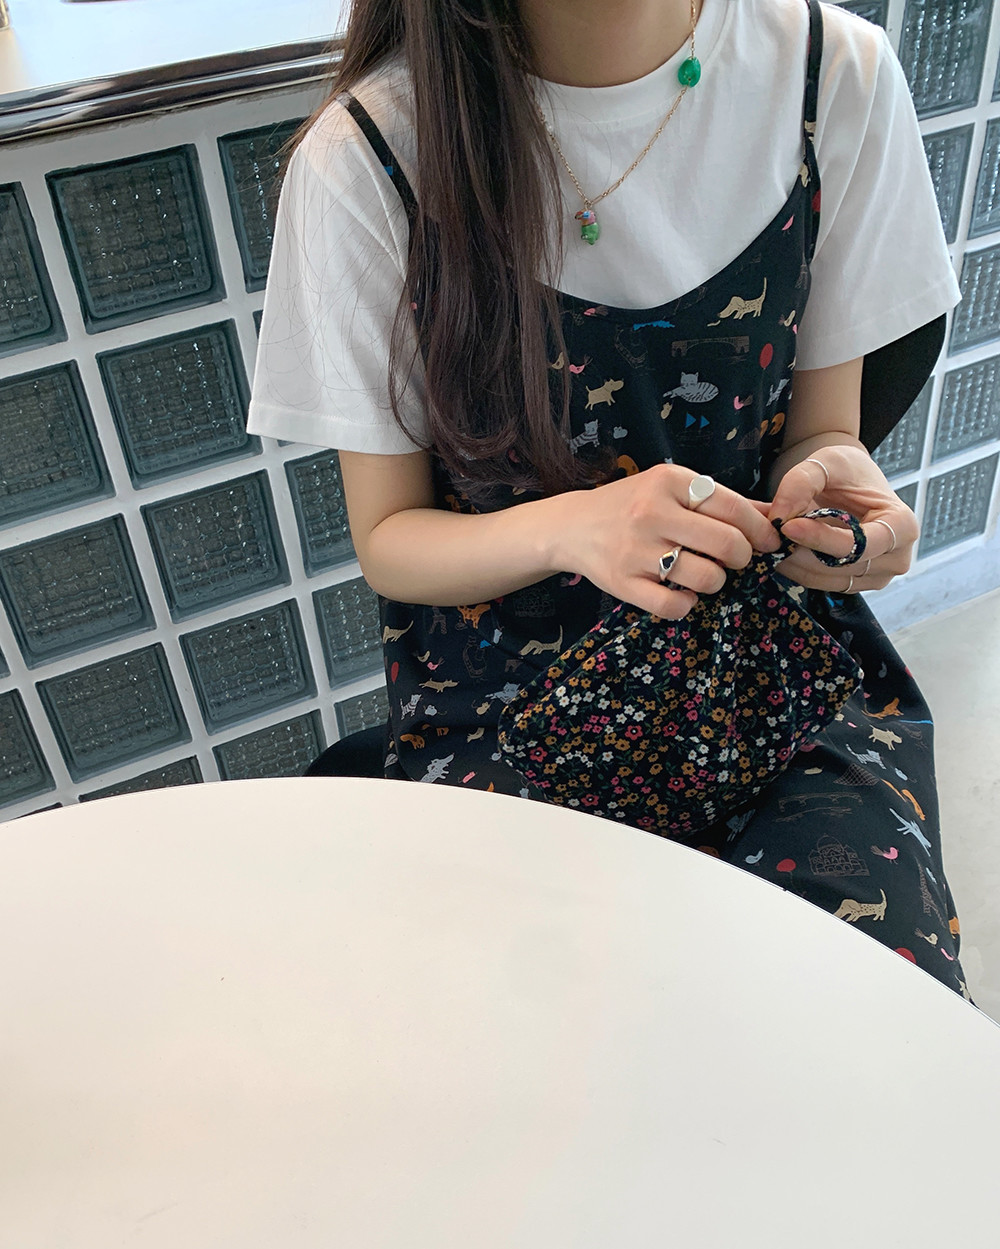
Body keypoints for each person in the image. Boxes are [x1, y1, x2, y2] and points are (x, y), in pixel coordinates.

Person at [248, 0, 971, 997]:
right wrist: (576, 528)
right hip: (511, 701)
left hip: (771, 670)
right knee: (562, 1039)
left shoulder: (831, 73)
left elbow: (821, 434)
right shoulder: (370, 155)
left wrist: (836, 495)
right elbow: (388, 538)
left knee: (870, 1013)